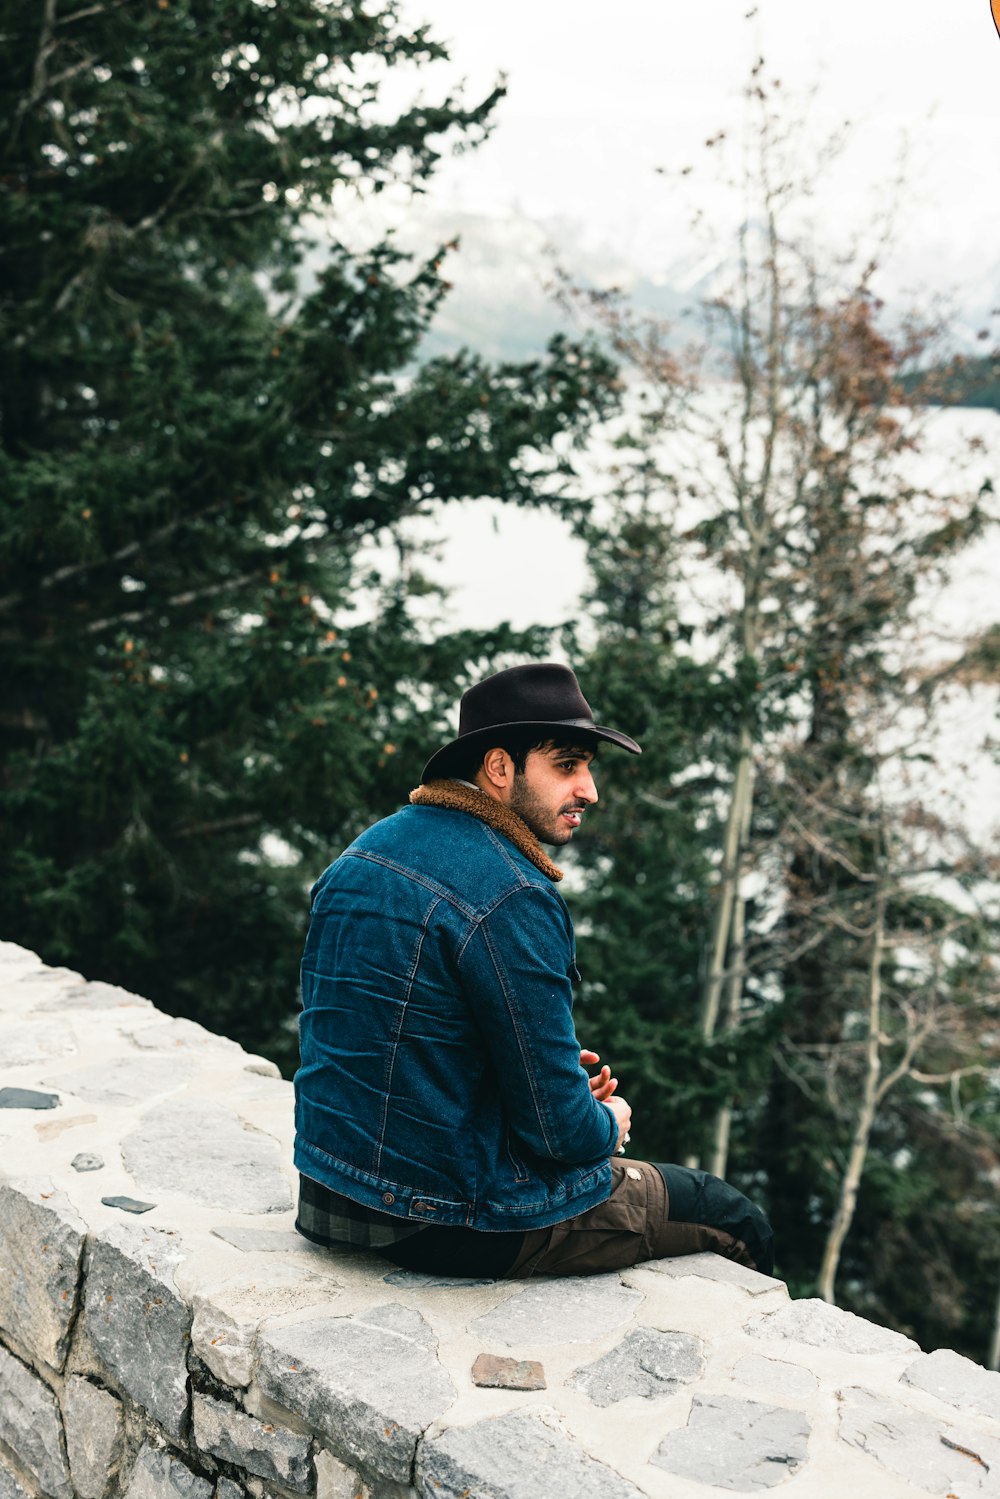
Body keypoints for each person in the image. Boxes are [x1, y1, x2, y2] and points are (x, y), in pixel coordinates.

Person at [293, 662, 774, 1279]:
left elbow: (392, 1032)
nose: (590, 790)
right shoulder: (513, 892)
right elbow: (561, 1137)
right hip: (440, 1219)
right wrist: (606, 1122)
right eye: (568, 765)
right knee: (730, 1216)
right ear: (499, 768)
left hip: (331, 1191)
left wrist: (543, 1077)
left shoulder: (363, 852)